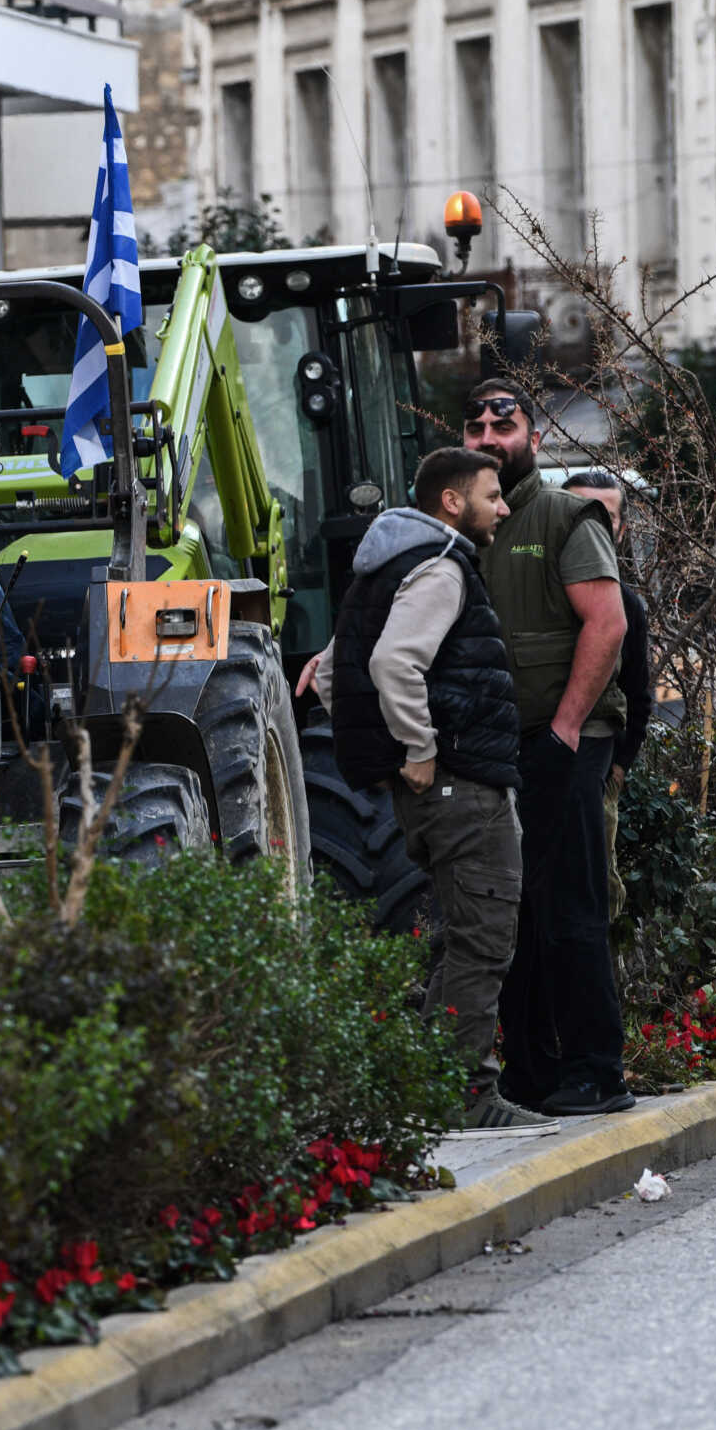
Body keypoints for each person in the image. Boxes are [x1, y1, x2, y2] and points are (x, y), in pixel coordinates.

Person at [300, 447, 541, 1130]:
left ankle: (432, 1086)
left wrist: (383, 749)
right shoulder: (439, 567)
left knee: (461, 936)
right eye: (492, 495)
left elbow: (329, 676)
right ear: (451, 502)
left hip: (437, 794)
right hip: (462, 786)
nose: (503, 507)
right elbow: (392, 661)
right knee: (484, 938)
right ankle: (468, 1096)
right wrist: (419, 748)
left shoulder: (380, 568)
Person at [464, 381, 631, 1116]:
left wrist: (566, 729)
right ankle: (532, 1073)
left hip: (569, 738)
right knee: (512, 913)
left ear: (535, 437)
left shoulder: (567, 516)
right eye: (476, 426)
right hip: (499, 745)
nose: (490, 435)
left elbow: (608, 623)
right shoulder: (457, 527)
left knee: (570, 907)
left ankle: (597, 1069)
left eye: (505, 422)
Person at [565, 470, 655, 923]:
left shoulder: (627, 606)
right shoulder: (534, 595)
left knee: (597, 892)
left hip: (596, 771)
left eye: (606, 519)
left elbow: (640, 697)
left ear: (620, 531)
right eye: (581, 514)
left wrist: (616, 772)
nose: (592, 530)